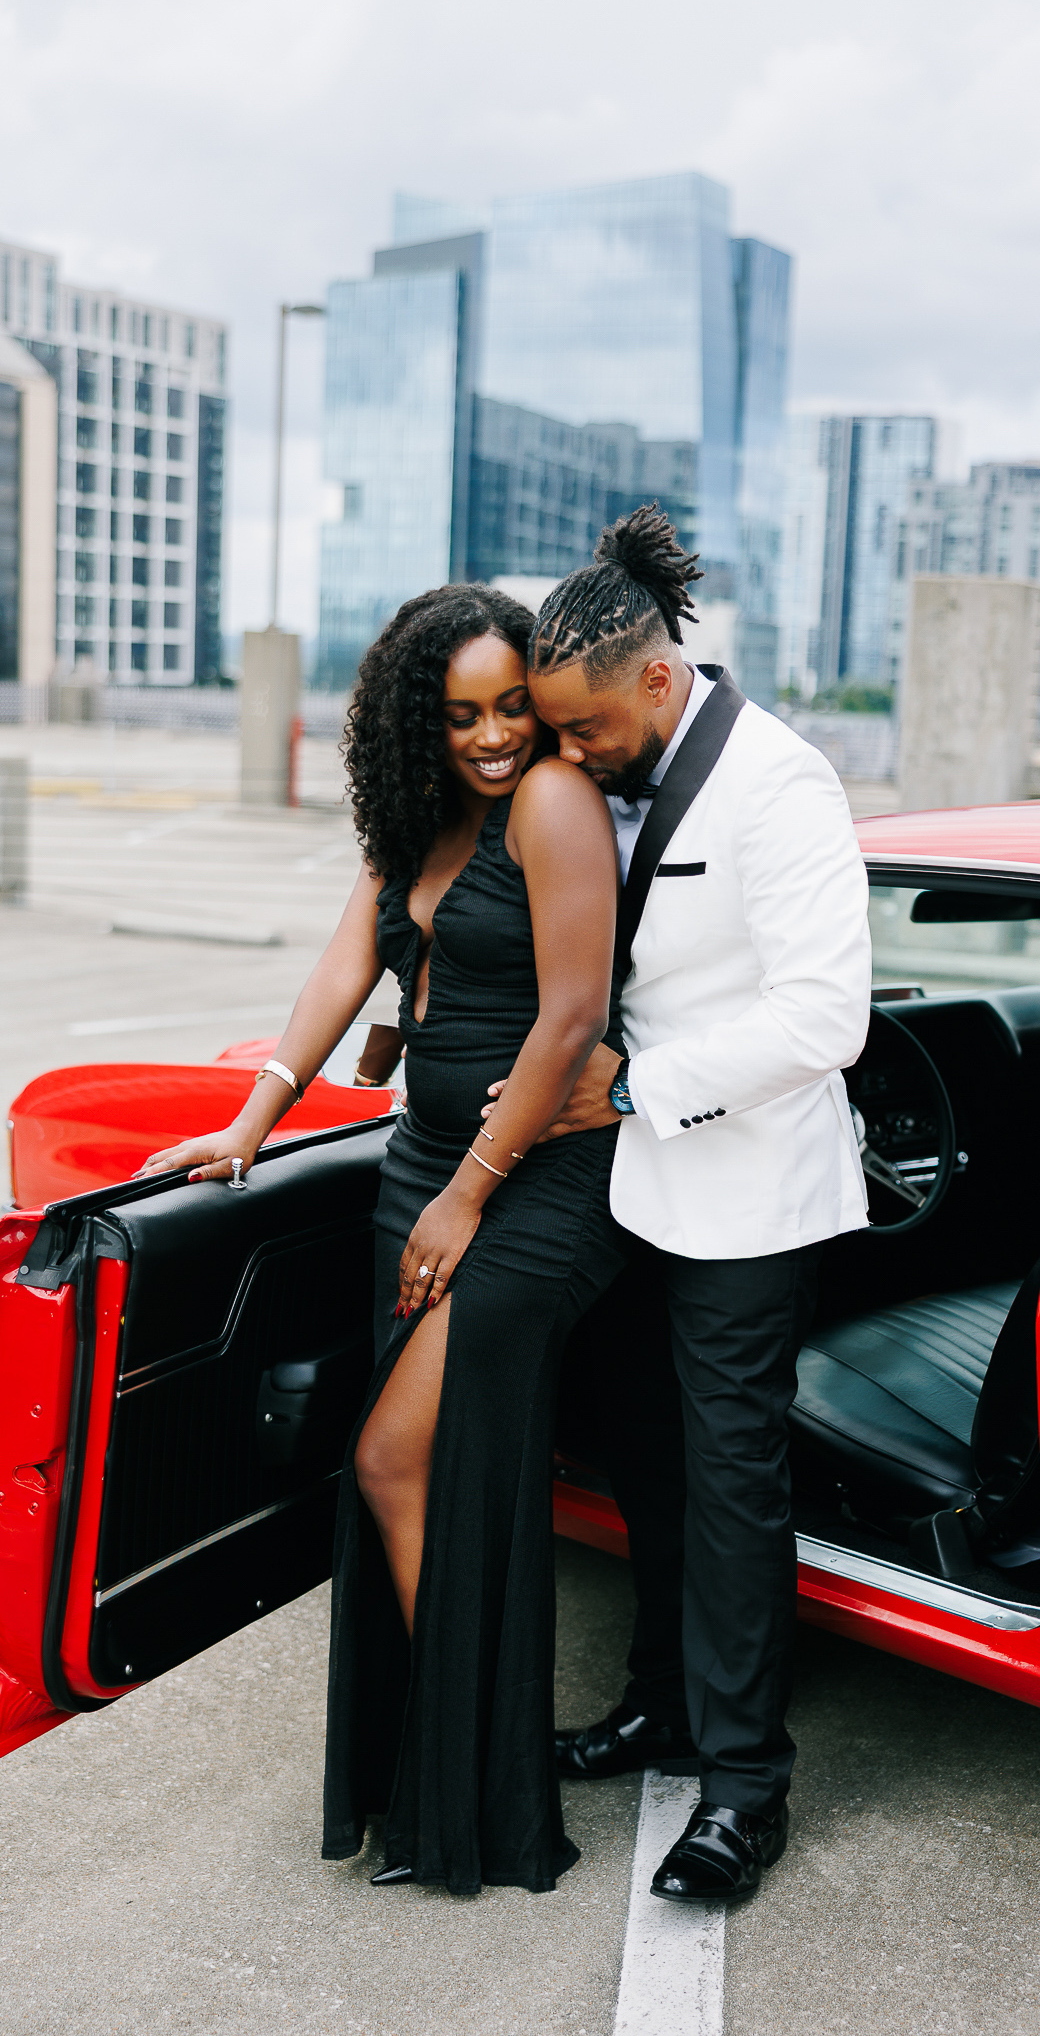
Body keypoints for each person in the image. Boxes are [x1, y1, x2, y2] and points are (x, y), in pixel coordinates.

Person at [135, 583, 625, 1896]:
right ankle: (440, 1772)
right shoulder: (418, 816)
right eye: (460, 712)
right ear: (420, 718)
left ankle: (476, 1783)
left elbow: (570, 1016)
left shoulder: (554, 805)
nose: (490, 735)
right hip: (420, 1168)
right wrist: (254, 1117)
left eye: (510, 705)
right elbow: (346, 964)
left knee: (398, 1460)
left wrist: (471, 1189)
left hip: (534, 1182)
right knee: (425, 1474)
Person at [506, 504, 873, 1905]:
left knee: (729, 1496)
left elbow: (821, 1018)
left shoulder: (784, 785)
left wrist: (642, 1084)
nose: (571, 755)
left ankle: (742, 1790)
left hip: (745, 1194)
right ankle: (659, 1703)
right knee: (644, 1472)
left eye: (585, 731)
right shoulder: (603, 754)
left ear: (655, 680)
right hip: (628, 1192)